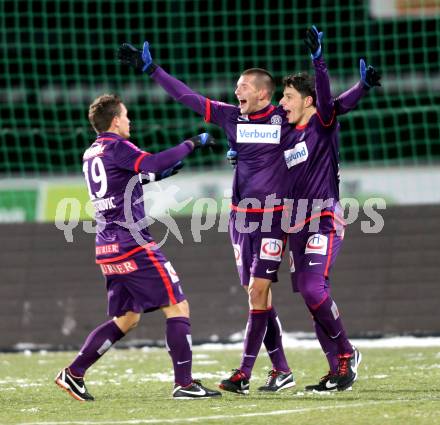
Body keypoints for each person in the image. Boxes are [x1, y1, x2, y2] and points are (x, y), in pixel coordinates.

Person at [118, 43, 296, 394]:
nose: (236, 91)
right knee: (256, 294)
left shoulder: (285, 119)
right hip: (241, 219)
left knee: (259, 290)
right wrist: (153, 70)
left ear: (262, 92)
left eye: (243, 86)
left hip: (275, 218)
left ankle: (244, 373)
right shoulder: (233, 117)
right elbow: (187, 97)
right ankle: (281, 370)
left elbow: (316, 133)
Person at [55, 93, 221, 401]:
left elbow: (122, 181)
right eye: (127, 116)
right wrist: (192, 143)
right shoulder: (118, 146)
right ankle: (184, 383)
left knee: (128, 318)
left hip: (106, 245)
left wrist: (157, 176)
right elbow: (153, 161)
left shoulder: (91, 153)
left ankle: (74, 372)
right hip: (132, 243)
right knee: (177, 306)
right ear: (115, 120)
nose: (130, 121)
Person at [279, 26, 381, 392]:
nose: (283, 102)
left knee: (311, 288)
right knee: (312, 297)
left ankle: (346, 353)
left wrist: (318, 60)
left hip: (324, 217)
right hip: (295, 224)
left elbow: (330, 101)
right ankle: (338, 369)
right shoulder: (287, 134)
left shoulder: (322, 124)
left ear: (307, 101)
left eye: (289, 96)